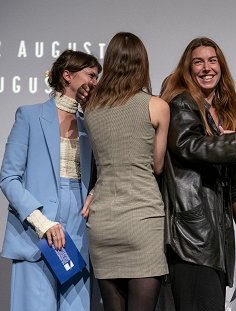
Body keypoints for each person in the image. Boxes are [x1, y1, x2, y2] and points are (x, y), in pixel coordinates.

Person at [160, 37, 236, 311]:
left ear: (221, 66)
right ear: (188, 69)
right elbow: (187, 145)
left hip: (214, 244)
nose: (206, 68)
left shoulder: (223, 114)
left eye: (212, 60)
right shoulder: (182, 102)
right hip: (191, 239)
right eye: (198, 62)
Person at [0, 50, 101, 310]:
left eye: (97, 77)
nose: (95, 82)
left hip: (78, 228)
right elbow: (9, 177)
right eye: (90, 75)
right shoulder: (30, 116)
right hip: (36, 230)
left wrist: (95, 194)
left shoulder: (91, 124)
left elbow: (104, 173)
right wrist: (41, 222)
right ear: (67, 75)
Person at [82, 32, 170, 311]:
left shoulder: (91, 107)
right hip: (142, 218)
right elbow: (157, 166)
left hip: (103, 221)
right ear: (142, 63)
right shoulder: (157, 106)